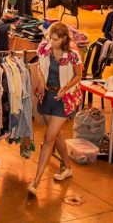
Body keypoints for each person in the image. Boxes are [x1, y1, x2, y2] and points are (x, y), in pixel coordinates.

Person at [28, 22, 83, 195]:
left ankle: (36, 182)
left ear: (64, 39)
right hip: (47, 97)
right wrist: (40, 79)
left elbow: (79, 75)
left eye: (55, 39)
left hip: (64, 100)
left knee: (49, 138)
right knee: (56, 134)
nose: (51, 42)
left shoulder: (73, 54)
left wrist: (65, 88)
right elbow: (38, 67)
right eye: (49, 38)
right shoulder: (44, 48)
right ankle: (67, 166)